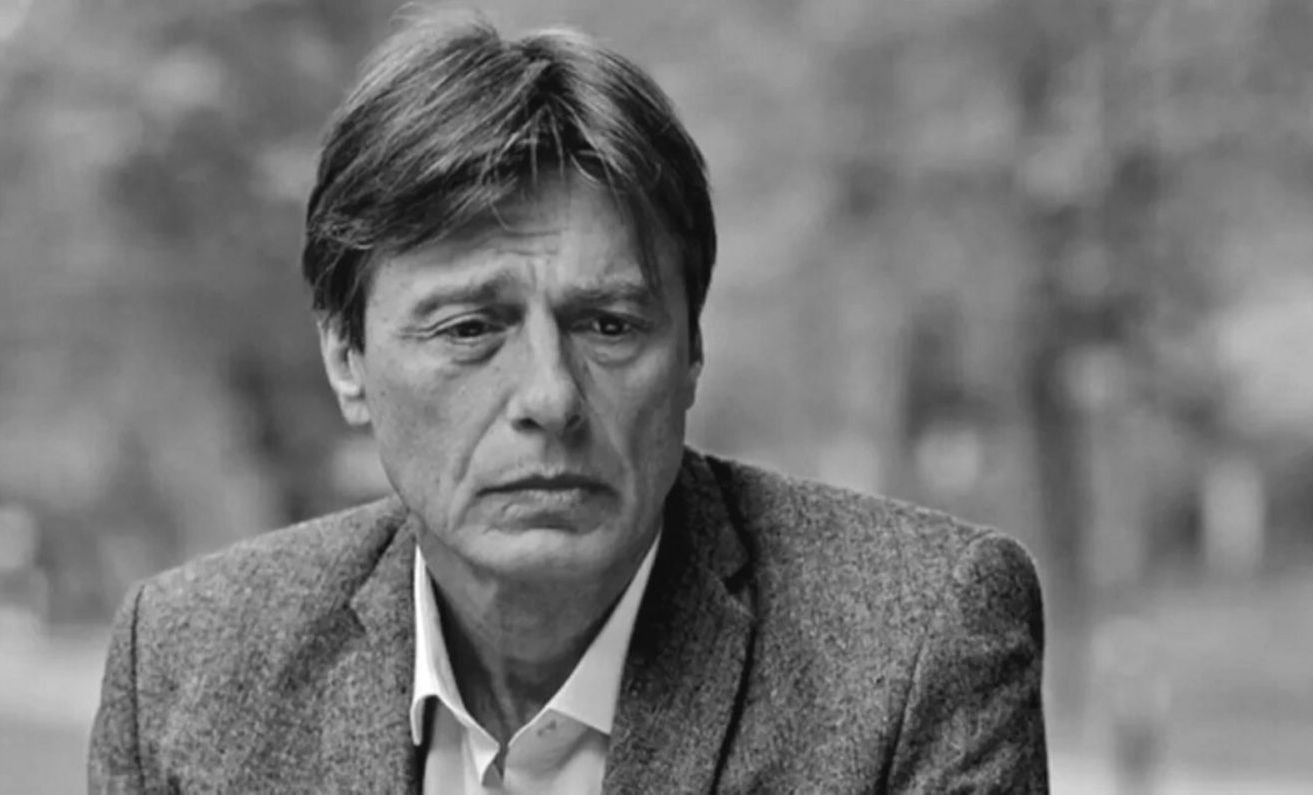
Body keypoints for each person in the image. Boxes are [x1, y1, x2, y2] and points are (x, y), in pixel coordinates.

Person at [88, 12, 1048, 793]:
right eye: (471, 328)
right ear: (347, 357)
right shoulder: (185, 668)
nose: (550, 397)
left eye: (609, 324)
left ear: (692, 348)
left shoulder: (918, 647)